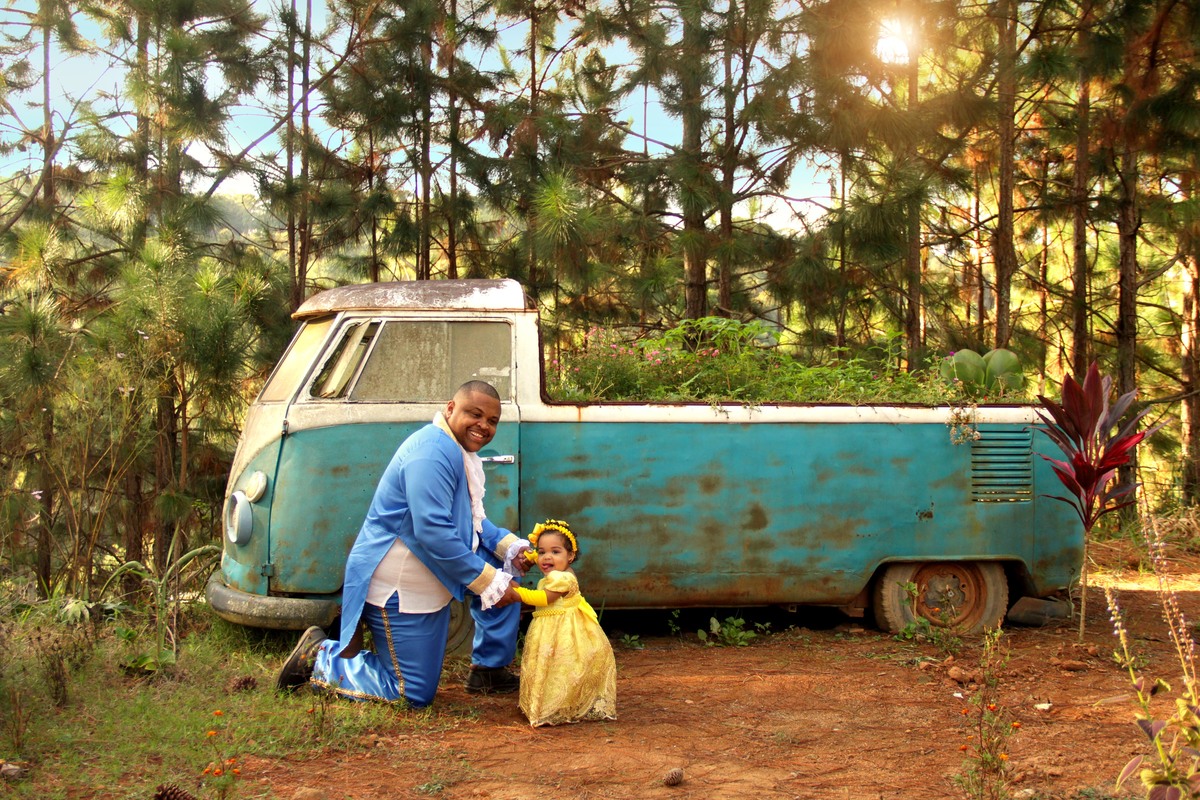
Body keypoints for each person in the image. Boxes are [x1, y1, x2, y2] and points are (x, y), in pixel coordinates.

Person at [275, 380, 529, 707]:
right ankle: (323, 658)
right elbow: (432, 530)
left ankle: (488, 670)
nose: (484, 425)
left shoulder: (457, 450)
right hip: (399, 582)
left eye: (492, 421)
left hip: (433, 570)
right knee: (411, 693)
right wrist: (487, 582)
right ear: (450, 409)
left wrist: (510, 549)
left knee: (505, 568)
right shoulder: (432, 451)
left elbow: (473, 523)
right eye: (475, 414)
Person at [515, 519, 617, 726]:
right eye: (542, 552)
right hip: (553, 625)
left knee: (562, 665)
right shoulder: (560, 570)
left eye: (555, 551)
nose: (547, 557)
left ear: (570, 556)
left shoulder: (562, 579)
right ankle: (555, 703)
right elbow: (544, 558)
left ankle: (558, 704)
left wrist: (516, 594)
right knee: (554, 667)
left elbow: (544, 598)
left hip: (563, 630)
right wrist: (534, 556)